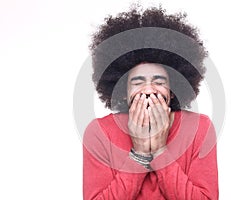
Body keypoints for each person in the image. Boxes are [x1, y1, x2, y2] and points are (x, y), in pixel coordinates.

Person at [83, 6, 218, 200]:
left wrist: (160, 151)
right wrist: (139, 154)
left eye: (159, 82)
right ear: (123, 92)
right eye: (138, 82)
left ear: (172, 91)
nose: (148, 89)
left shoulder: (200, 128)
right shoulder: (98, 132)